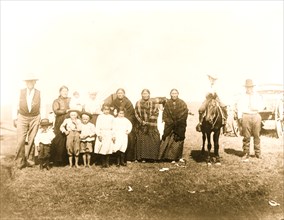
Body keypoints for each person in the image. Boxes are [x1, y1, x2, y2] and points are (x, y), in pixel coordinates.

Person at [14, 73, 42, 169]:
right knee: (20, 140)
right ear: (26, 83)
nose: (30, 83)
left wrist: (42, 119)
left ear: (35, 82)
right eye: (28, 81)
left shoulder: (39, 92)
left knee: (32, 139)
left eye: (32, 81)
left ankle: (30, 160)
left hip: (35, 117)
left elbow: (42, 106)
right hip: (22, 116)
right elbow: (15, 105)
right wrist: (14, 117)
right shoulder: (20, 92)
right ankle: (20, 161)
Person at [135, 89, 166, 162]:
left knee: (153, 140)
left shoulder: (153, 102)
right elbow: (136, 113)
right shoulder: (138, 103)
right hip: (141, 125)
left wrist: (148, 122)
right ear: (141, 95)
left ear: (149, 94)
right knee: (143, 141)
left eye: (146, 94)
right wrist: (141, 122)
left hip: (152, 124)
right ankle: (143, 157)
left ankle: (153, 157)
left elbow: (156, 112)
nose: (145, 95)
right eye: (143, 94)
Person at [237, 79, 264, 161]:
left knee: (257, 135)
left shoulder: (257, 96)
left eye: (250, 87)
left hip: (256, 115)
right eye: (247, 87)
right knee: (246, 136)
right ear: (245, 88)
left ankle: (258, 153)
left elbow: (262, 106)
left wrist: (256, 108)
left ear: (253, 87)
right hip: (246, 116)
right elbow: (239, 107)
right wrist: (239, 117)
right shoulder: (242, 96)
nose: (249, 89)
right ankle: (246, 153)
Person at [159, 89, 188, 162]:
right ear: (170, 94)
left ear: (178, 94)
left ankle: (177, 157)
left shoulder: (182, 103)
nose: (174, 95)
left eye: (175, 93)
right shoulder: (168, 103)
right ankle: (166, 156)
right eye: (172, 93)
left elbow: (184, 114)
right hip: (169, 124)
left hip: (179, 125)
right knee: (167, 138)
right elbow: (165, 114)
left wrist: (177, 122)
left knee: (178, 140)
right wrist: (169, 122)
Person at [110, 88, 137, 162]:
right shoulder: (114, 102)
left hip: (126, 123)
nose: (120, 94)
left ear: (124, 94)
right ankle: (115, 158)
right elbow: (111, 112)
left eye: (121, 93)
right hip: (117, 124)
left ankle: (128, 158)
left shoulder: (128, 102)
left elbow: (132, 113)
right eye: (118, 93)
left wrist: (125, 120)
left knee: (130, 139)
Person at [51, 85, 70, 166]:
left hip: (69, 120)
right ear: (60, 92)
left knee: (68, 139)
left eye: (66, 91)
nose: (65, 93)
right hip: (60, 121)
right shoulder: (56, 101)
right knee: (60, 139)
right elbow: (56, 111)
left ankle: (67, 160)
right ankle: (58, 160)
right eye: (63, 91)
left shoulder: (70, 100)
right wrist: (66, 111)